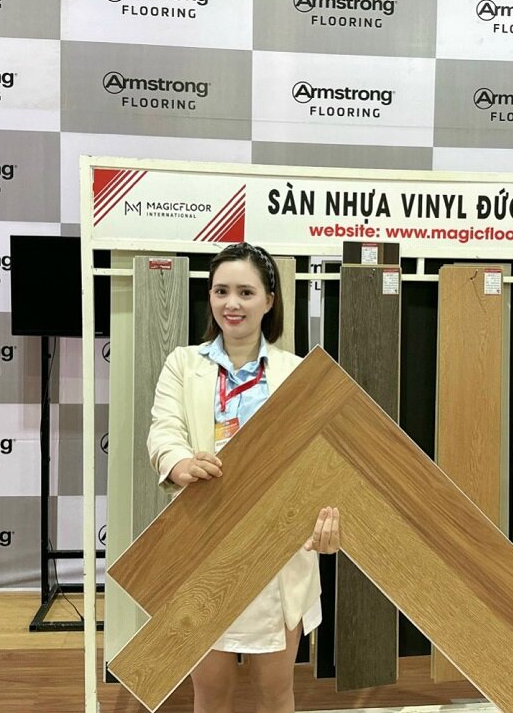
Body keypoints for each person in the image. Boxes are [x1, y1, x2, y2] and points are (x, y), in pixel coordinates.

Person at [147, 241, 340, 713]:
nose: (231, 304)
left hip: (277, 547)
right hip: (203, 542)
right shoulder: (183, 364)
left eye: (246, 293)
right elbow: (163, 430)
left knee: (275, 693)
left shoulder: (297, 371)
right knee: (211, 693)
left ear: (269, 300)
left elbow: (321, 464)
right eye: (221, 291)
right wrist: (179, 463)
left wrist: (328, 518)